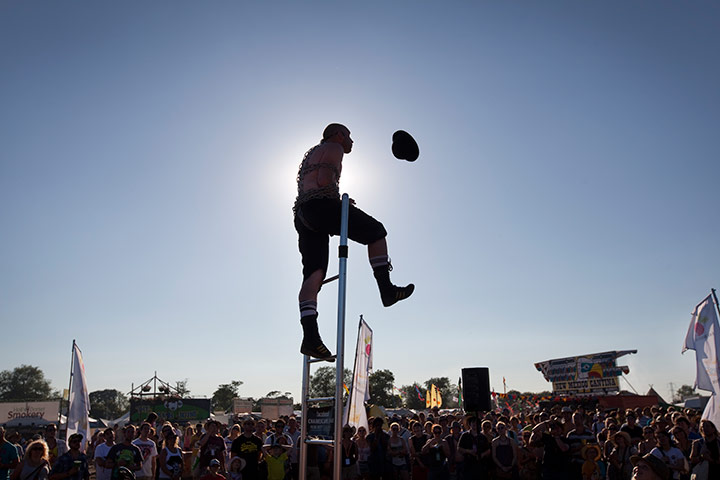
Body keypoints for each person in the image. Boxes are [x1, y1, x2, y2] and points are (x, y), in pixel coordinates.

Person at [294, 123, 414, 359]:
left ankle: (310, 337)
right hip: (320, 206)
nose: (351, 141)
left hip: (302, 213)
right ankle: (386, 290)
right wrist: (338, 202)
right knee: (377, 232)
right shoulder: (333, 147)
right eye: (349, 135)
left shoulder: (311, 153)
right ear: (338, 135)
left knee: (314, 275)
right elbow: (324, 178)